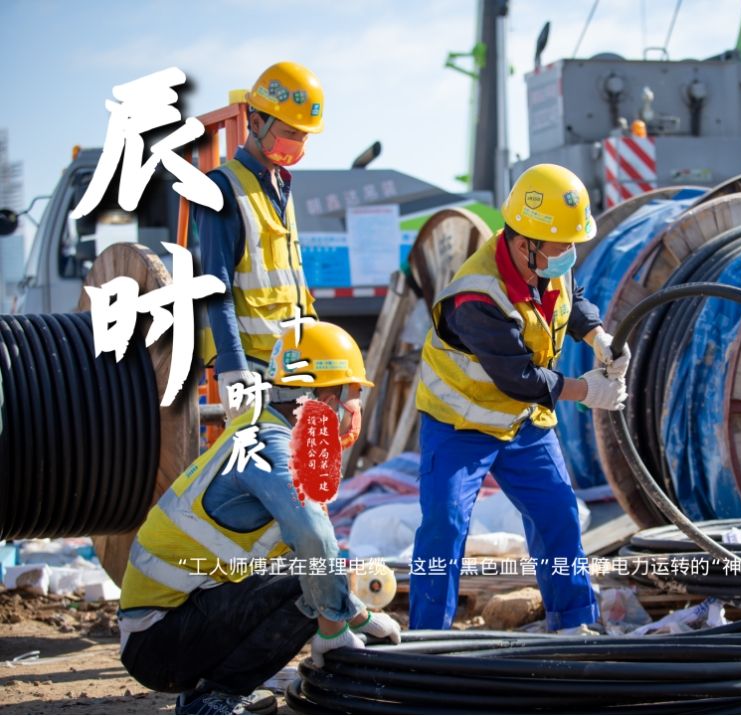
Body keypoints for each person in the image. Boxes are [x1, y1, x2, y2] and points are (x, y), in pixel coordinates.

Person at [118, 321, 402, 715]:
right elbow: (314, 539)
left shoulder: (265, 432)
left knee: (317, 572)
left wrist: (360, 614)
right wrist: (336, 626)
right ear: (324, 395)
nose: (354, 409)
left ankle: (213, 691)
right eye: (352, 394)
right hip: (158, 640)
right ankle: (213, 697)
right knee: (309, 578)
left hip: (168, 626)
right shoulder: (273, 449)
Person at [409, 164, 630, 633]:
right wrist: (588, 391)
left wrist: (598, 336)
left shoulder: (546, 264)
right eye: (561, 246)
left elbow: (572, 298)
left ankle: (572, 624)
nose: (569, 254)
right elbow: (519, 377)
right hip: (459, 425)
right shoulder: (476, 295)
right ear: (523, 239)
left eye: (574, 243)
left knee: (559, 515)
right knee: (444, 527)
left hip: (522, 423)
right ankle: (426, 639)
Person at [194, 61, 321, 420]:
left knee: (306, 473)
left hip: (294, 366)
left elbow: (295, 284)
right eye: (289, 132)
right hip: (254, 371)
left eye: (304, 135)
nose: (297, 143)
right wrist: (233, 370)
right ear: (254, 121)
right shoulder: (222, 188)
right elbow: (216, 288)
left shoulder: (282, 187)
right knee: (272, 473)